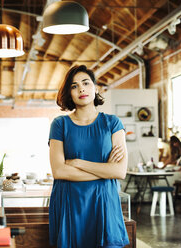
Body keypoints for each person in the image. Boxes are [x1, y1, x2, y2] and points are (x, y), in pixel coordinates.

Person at [48, 65, 129, 247]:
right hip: (70, 203)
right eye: (74, 86)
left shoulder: (112, 123)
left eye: (86, 83)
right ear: (69, 93)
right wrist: (105, 171)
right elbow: (59, 171)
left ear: (95, 88)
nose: (81, 89)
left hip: (103, 202)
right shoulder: (60, 124)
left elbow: (120, 171)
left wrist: (77, 162)